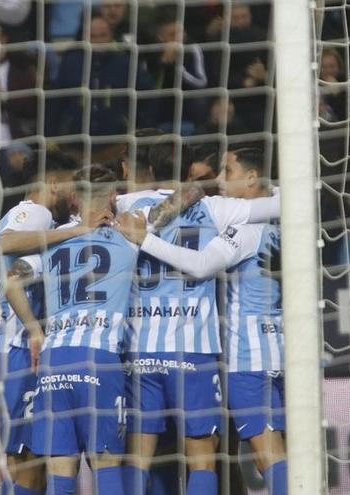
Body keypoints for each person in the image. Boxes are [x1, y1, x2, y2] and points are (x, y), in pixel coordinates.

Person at [116, 148, 288, 495]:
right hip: (241, 348)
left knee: (139, 456)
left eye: (226, 171)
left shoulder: (121, 208)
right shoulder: (224, 211)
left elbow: (202, 264)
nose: (219, 180)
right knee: (211, 457)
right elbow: (289, 200)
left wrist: (145, 236)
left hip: (157, 349)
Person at [5, 165, 136, 495]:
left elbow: (11, 281)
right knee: (106, 468)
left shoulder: (53, 243)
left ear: (75, 198)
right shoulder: (129, 238)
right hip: (100, 358)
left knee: (60, 473)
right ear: (114, 197)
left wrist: (35, 330)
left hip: (54, 361)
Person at [0, 150, 89, 495]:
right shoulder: (35, 213)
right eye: (71, 185)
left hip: (4, 349)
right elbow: (5, 244)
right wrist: (75, 231)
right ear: (53, 183)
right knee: (31, 462)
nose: (75, 194)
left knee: (20, 461)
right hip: (16, 347)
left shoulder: (17, 214)